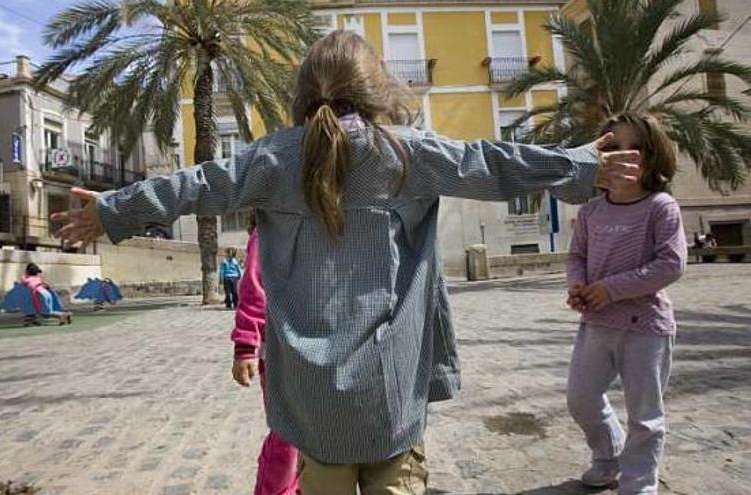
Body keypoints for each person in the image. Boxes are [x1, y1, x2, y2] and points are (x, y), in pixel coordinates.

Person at [52, 30, 641, 495]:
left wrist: (114, 210)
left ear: (304, 91)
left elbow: (199, 183)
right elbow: (493, 163)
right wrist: (582, 166)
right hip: (389, 386)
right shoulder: (407, 153)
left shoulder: (271, 159)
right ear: (376, 88)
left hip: (311, 394)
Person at [565, 113, 686, 495]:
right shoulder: (590, 212)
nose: (622, 157)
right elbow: (576, 257)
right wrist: (578, 284)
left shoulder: (660, 207)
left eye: (633, 148)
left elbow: (671, 264)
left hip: (645, 327)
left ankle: (638, 483)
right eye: (611, 148)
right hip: (596, 324)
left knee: (645, 416)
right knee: (581, 398)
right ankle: (608, 457)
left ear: (653, 156)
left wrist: (611, 289)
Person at [231, 214, 301, 495]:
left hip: (319, 353)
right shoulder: (269, 229)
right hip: (279, 355)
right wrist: (246, 345)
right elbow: (254, 287)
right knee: (287, 437)